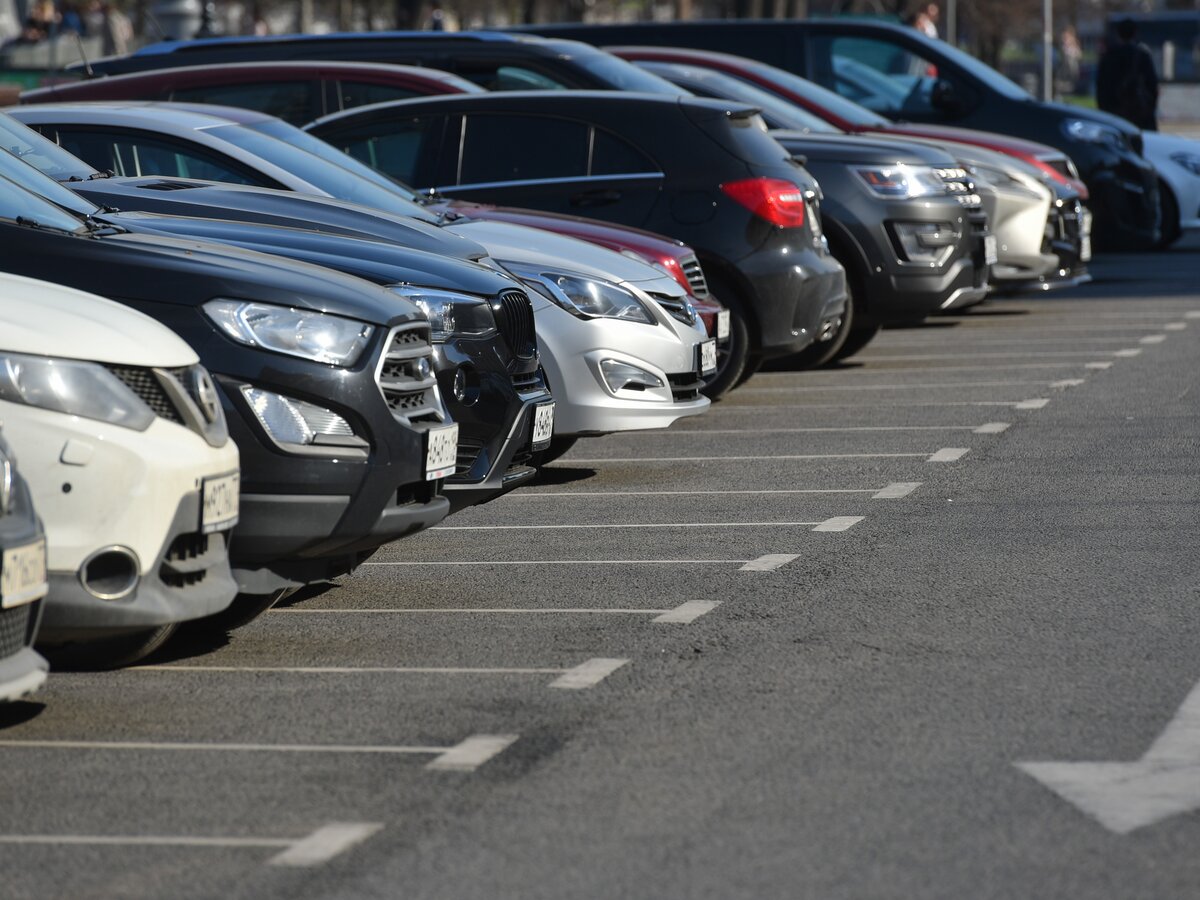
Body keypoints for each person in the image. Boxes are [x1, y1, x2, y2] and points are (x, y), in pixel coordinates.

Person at [1096, 17, 1158, 131]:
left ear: (1118, 34)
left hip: (1114, 114)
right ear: (1135, 33)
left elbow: (1101, 87)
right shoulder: (1142, 56)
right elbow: (1152, 85)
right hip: (1140, 115)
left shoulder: (1108, 57)